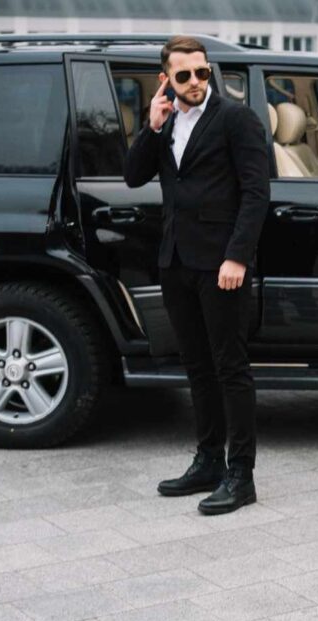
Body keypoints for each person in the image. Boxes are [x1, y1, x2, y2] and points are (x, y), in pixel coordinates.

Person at [124, 36, 270, 515]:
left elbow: (255, 193)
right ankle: (207, 460)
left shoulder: (235, 118)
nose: (194, 83)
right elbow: (132, 176)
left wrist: (237, 257)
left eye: (201, 73)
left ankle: (241, 475)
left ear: (210, 72)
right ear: (166, 78)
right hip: (176, 261)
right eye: (183, 75)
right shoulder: (165, 123)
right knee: (197, 368)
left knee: (231, 368)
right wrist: (150, 126)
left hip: (220, 265)